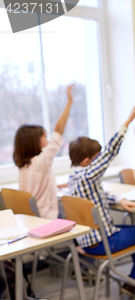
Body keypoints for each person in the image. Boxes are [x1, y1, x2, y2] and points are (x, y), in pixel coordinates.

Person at [68, 102, 135, 297]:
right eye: (97, 158)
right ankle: (134, 280)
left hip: (87, 240)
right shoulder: (87, 175)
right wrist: (127, 121)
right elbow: (110, 151)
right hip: (102, 242)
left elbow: (97, 195)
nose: (101, 161)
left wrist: (119, 200)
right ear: (87, 162)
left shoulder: (74, 178)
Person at [14, 85, 74, 219]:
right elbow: (58, 131)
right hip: (47, 218)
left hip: (31, 219)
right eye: (44, 137)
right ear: (34, 142)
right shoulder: (41, 161)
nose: (48, 141)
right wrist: (69, 102)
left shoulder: (23, 165)